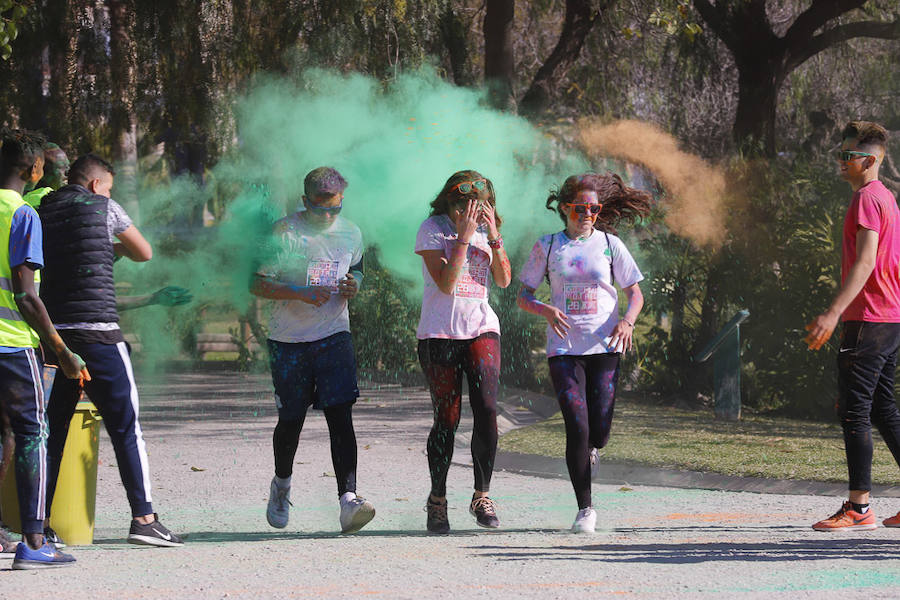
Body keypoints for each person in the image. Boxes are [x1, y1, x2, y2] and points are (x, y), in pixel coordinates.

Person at [38, 153, 184, 547]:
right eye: (108, 187)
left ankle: (41, 526)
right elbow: (143, 252)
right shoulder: (105, 207)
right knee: (125, 427)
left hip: (53, 337)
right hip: (100, 338)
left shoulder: (40, 208)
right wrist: (111, 248)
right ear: (95, 185)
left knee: (51, 431)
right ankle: (144, 519)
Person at [517, 173, 649, 533]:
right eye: (580, 208)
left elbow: (635, 294)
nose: (588, 214)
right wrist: (545, 309)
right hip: (564, 349)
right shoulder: (547, 246)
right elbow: (523, 295)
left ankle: (594, 448)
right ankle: (585, 509)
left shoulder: (610, 244)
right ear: (565, 209)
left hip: (605, 346)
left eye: (594, 208)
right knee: (577, 426)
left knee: (599, 432)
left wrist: (628, 322)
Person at [251, 166, 375, 534]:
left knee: (341, 416)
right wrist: (300, 292)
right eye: (320, 209)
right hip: (288, 341)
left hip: (335, 335)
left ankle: (348, 499)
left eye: (334, 209)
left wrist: (355, 285)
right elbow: (256, 283)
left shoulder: (351, 232)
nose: (328, 216)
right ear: (304, 201)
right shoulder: (283, 233)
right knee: (291, 420)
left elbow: (359, 269)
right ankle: (282, 485)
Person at [805, 121, 900, 531]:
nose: (842, 162)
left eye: (849, 156)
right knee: (883, 409)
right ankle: (861, 506)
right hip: (891, 318)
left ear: (872, 159)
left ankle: (859, 508)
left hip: (868, 319)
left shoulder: (866, 199)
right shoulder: (887, 197)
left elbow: (866, 262)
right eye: (840, 155)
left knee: (855, 412)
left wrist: (833, 312)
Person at [0, 129, 88, 568]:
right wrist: (61, 349)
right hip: (13, 345)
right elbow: (26, 295)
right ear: (33, 169)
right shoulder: (21, 215)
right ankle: (33, 544)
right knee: (33, 434)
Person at [415, 170, 512, 534]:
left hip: (481, 328)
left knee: (487, 408)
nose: (468, 213)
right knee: (448, 419)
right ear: (450, 202)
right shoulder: (432, 228)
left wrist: (495, 237)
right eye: (462, 206)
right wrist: (463, 238)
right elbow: (447, 283)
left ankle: (482, 494)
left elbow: (503, 280)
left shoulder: (489, 232)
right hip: (439, 333)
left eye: (477, 207)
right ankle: (437, 499)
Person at [23, 143, 69, 208]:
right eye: (61, 166)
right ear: (42, 171)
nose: (67, 172)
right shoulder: (33, 204)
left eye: (68, 166)